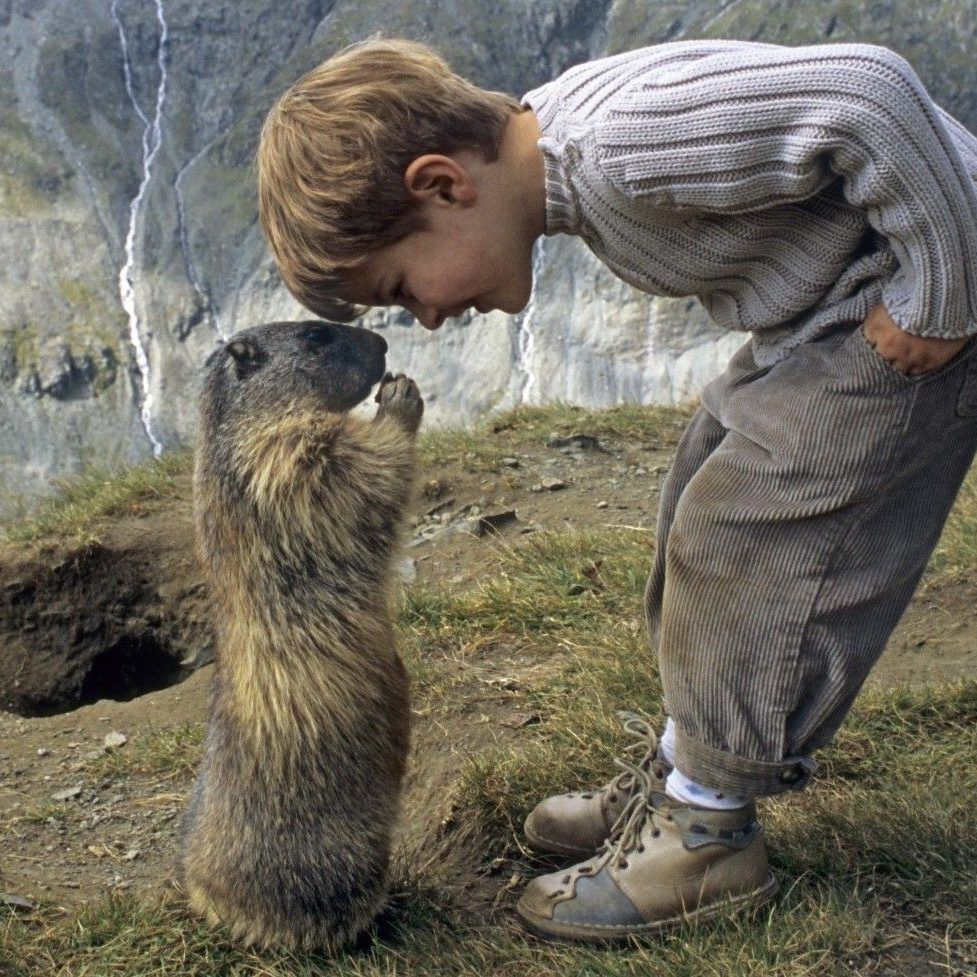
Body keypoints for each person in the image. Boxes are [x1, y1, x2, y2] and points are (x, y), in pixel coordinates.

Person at [256, 36, 977, 942]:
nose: (428, 318)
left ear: (442, 185)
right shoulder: (566, 151)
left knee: (740, 539)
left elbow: (868, 89)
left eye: (403, 289)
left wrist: (940, 297)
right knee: (695, 500)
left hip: (903, 311)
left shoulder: (625, 146)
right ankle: (686, 769)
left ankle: (709, 830)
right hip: (827, 313)